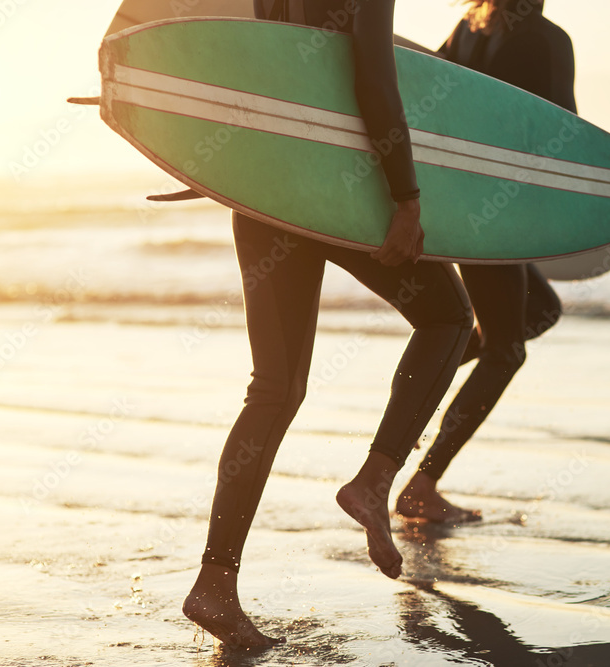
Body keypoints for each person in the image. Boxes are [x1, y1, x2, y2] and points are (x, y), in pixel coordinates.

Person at [182, 0, 473, 648]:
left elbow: (243, 55)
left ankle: (215, 582)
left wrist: (202, 156)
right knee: (450, 316)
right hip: (335, 183)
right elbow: (371, 72)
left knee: (276, 387)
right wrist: (406, 196)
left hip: (261, 182)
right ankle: (375, 481)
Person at [395, 0, 576, 524]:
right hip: (497, 216)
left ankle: (420, 380)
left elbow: (428, 98)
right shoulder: (545, 39)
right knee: (507, 350)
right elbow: (568, 140)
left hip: (461, 205)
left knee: (538, 310)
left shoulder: (469, 31)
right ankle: (422, 484)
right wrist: (608, 225)